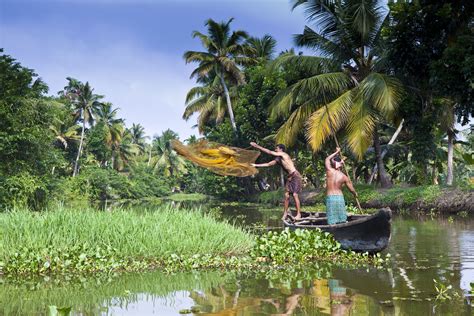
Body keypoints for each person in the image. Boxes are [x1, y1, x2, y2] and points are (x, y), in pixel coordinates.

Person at [250, 142, 302, 220]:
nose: (275, 150)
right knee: (286, 195)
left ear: (281, 150)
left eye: (276, 149)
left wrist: (257, 146)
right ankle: (285, 213)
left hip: (295, 175)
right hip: (289, 177)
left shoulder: (284, 154)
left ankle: (299, 214)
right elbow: (268, 164)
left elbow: (269, 152)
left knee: (294, 195)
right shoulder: (278, 159)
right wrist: (256, 165)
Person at [325, 147, 358, 225]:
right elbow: (351, 189)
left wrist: (337, 152)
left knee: (332, 221)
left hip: (330, 198)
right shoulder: (344, 177)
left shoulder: (329, 171)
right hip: (339, 198)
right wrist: (355, 194)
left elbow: (327, 159)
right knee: (341, 219)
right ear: (341, 165)